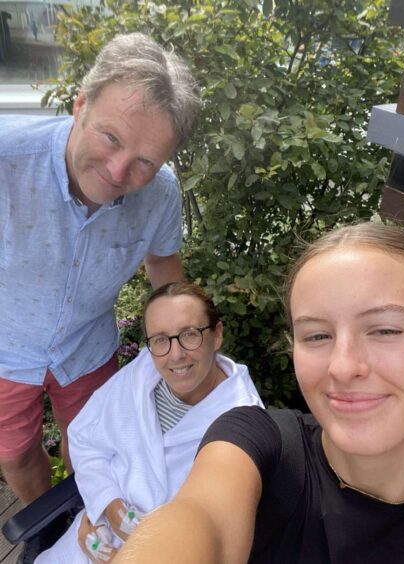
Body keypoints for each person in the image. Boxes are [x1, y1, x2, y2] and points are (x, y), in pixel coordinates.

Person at [113, 222, 404, 564]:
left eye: (385, 330)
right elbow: (202, 517)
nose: (342, 366)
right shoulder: (259, 443)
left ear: (216, 336)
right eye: (317, 336)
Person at [0, 32, 199, 562]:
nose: (118, 174)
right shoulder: (4, 157)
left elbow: (164, 268)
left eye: (145, 162)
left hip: (88, 347)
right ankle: (48, 519)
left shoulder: (161, 192)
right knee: (16, 455)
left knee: (88, 441)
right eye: (111, 138)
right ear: (80, 104)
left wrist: (184, 338)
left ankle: (82, 507)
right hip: (3, 351)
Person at [35, 281, 263, 563]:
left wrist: (133, 549)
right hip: (93, 537)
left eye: (190, 334)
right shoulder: (141, 373)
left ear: (217, 335)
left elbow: (222, 536)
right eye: (160, 339)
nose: (175, 354)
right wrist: (106, 505)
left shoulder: (243, 423)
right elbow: (85, 438)